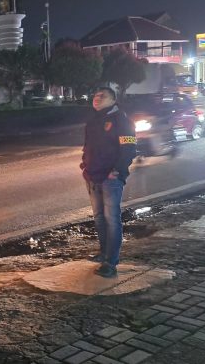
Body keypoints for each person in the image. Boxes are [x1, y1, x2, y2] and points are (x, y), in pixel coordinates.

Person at [81, 87, 137, 278]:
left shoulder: (122, 121)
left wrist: (117, 170)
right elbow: (87, 146)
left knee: (112, 219)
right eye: (95, 95)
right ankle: (104, 253)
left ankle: (111, 262)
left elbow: (129, 149)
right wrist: (84, 165)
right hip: (92, 176)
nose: (97, 99)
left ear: (113, 100)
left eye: (102, 96)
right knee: (99, 217)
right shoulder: (93, 120)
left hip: (110, 178)